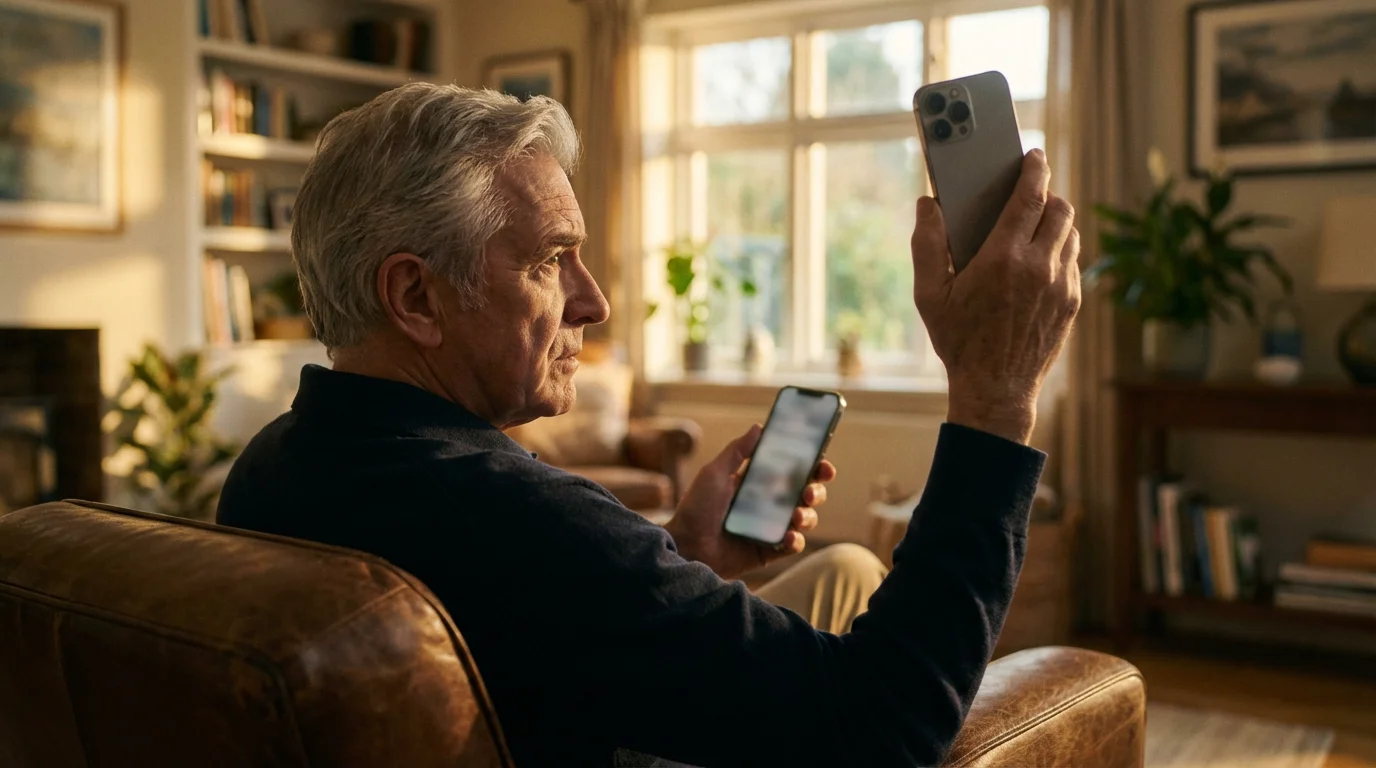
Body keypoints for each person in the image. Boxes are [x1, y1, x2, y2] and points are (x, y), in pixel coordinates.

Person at [217, 83, 1079, 767]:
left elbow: (540, 636)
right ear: (415, 297)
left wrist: (682, 551)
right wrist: (996, 400)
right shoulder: (525, 519)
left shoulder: (271, 468)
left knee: (848, 565)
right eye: (551, 260)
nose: (593, 301)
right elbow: (882, 727)